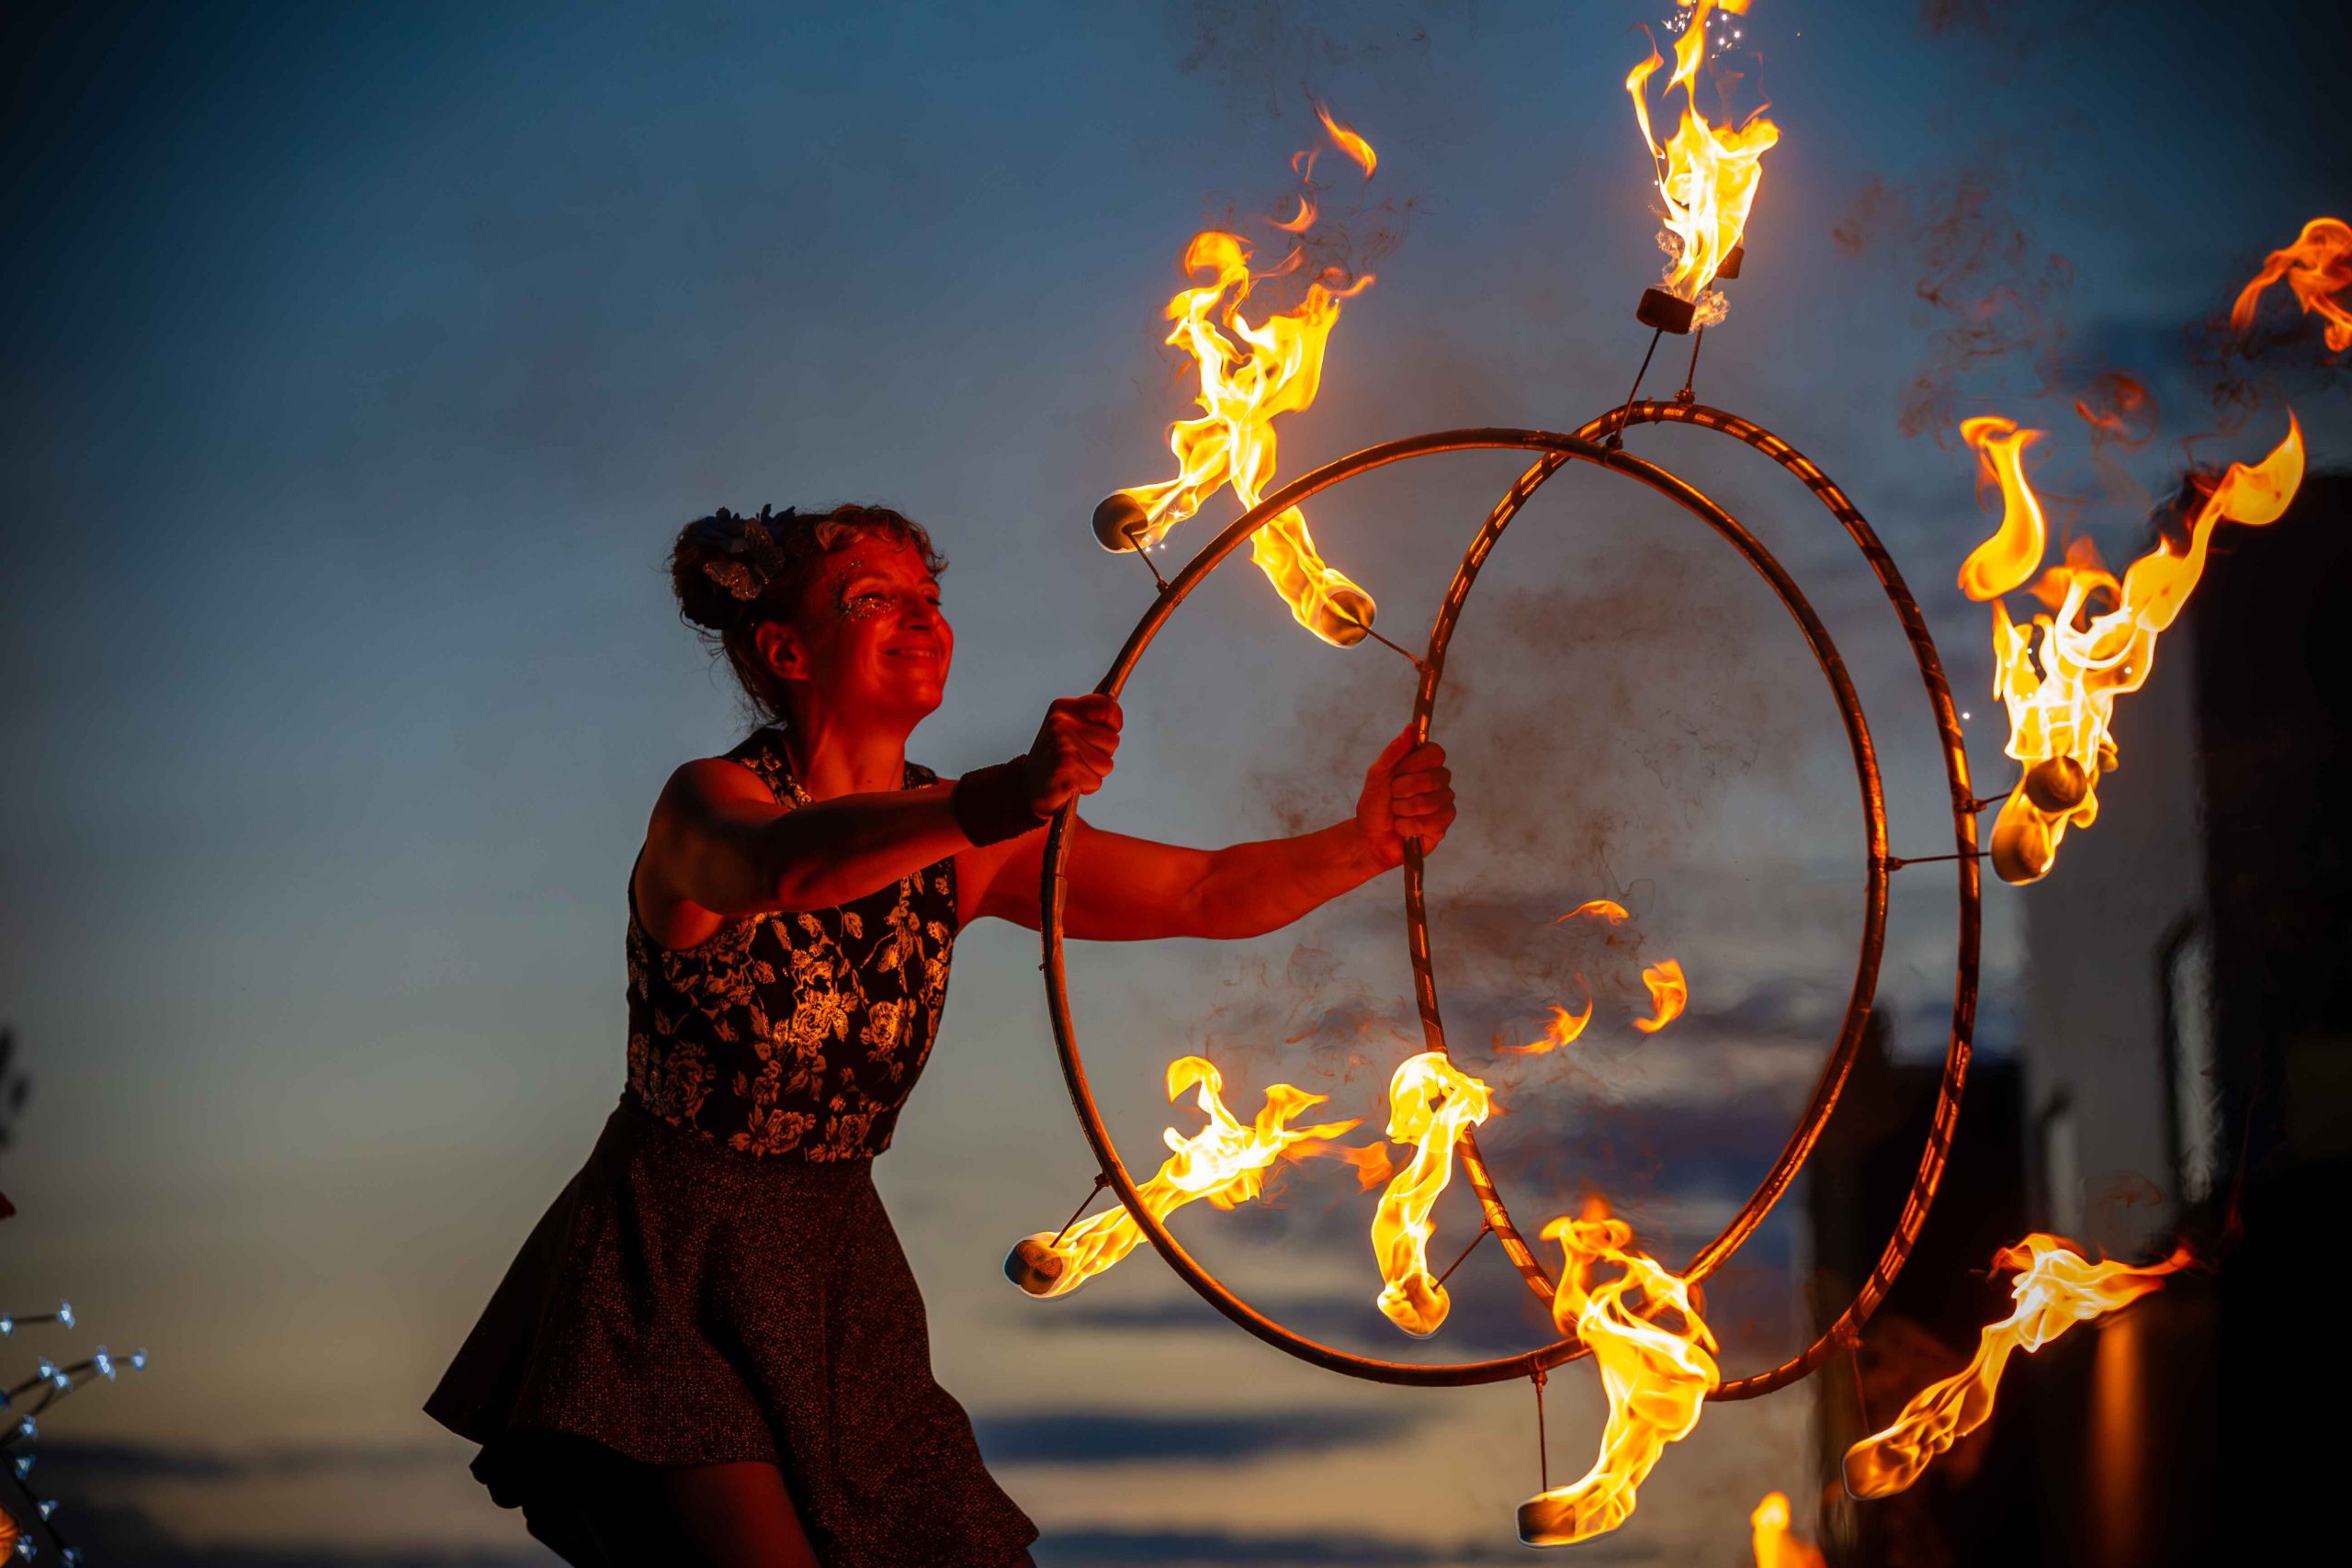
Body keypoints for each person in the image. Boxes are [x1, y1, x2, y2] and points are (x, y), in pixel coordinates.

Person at [425, 502, 1455, 1566]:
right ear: (784, 649)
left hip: (837, 1277)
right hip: (666, 1263)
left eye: (931, 600)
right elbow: (790, 871)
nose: (922, 620)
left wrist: (1363, 842)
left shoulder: (975, 837)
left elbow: (1201, 889)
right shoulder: (706, 807)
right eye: (875, 599)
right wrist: (1005, 796)